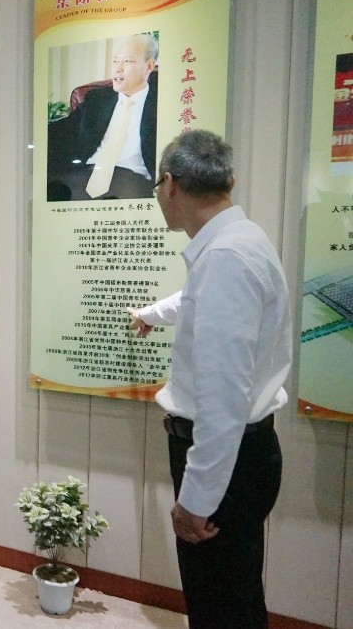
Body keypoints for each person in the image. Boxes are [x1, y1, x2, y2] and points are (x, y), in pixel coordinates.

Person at [128, 130, 289, 628]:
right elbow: (197, 301)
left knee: (219, 606)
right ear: (229, 181)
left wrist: (195, 502)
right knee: (236, 595)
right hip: (244, 455)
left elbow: (223, 401)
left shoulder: (224, 258)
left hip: (226, 460)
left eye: (158, 187)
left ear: (170, 185)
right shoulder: (238, 241)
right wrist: (150, 314)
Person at [47, 33, 159, 201]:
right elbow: (64, 129)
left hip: (135, 179)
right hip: (85, 174)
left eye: (127, 61)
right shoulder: (97, 99)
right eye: (115, 61)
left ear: (149, 66)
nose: (118, 68)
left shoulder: (161, 103)